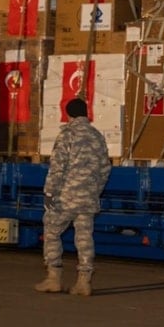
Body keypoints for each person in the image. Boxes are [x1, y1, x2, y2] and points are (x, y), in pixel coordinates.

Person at [34, 98, 112, 296]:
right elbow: (105, 168)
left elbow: (57, 168)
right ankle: (84, 281)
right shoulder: (97, 136)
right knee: (84, 238)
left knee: (51, 231)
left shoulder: (67, 135)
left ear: (68, 114)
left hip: (66, 197)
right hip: (88, 198)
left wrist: (49, 193)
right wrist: (94, 190)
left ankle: (54, 277)